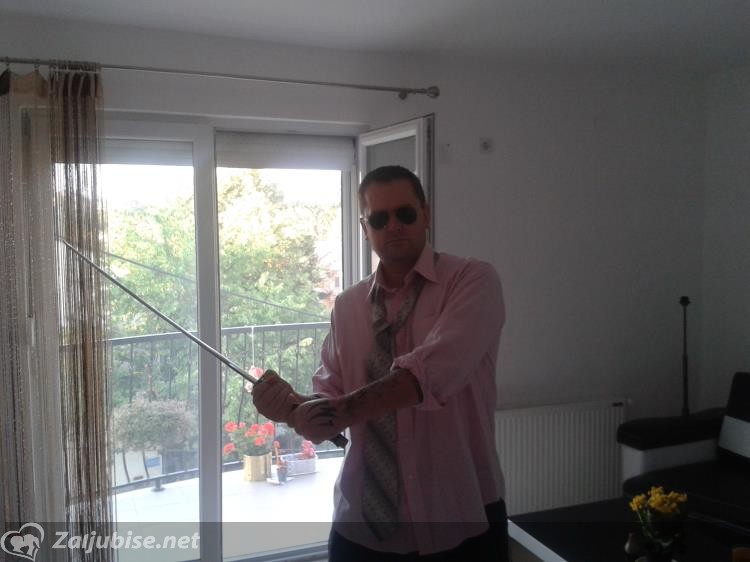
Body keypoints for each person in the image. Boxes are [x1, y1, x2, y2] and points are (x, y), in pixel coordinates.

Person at [252, 165, 507, 561]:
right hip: (361, 526)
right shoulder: (348, 306)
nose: (394, 226)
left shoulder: (472, 281)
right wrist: (291, 409)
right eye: (379, 218)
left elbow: (425, 377)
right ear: (364, 227)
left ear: (426, 214)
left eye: (405, 213)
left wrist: (335, 412)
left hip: (461, 515)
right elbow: (330, 399)